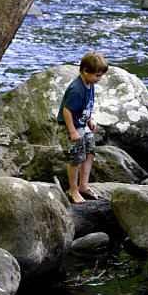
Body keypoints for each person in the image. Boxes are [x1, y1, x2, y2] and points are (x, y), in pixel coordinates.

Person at [56, 51, 109, 203]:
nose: (100, 79)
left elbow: (86, 106)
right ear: (85, 71)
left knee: (90, 151)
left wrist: (90, 119)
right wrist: (72, 131)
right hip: (69, 127)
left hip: (82, 124)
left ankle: (83, 186)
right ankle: (73, 190)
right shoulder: (76, 89)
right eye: (98, 75)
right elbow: (67, 111)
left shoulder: (90, 83)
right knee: (75, 158)